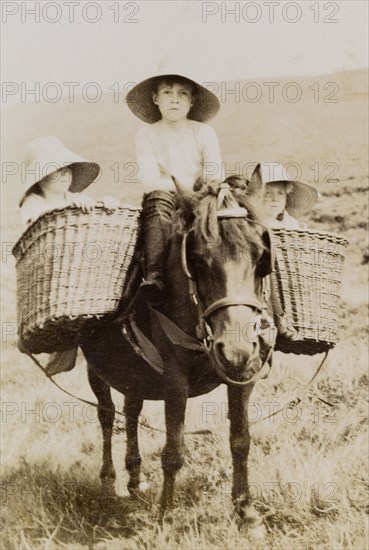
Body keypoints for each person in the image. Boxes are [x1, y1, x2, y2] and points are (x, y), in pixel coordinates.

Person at [18, 136, 119, 375]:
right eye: (55, 170)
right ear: (41, 176)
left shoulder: (73, 198)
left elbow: (90, 212)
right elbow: (39, 221)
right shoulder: (34, 201)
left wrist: (105, 203)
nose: (63, 174)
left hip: (78, 264)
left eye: (67, 169)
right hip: (51, 268)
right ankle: (64, 346)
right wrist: (70, 208)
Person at [126, 63, 223, 303]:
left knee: (236, 223)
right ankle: (155, 273)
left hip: (202, 197)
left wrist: (202, 190)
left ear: (192, 101)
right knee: (158, 200)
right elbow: (150, 181)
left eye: (183, 93)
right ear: (155, 98)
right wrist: (183, 189)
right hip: (165, 199)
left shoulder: (204, 132)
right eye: (167, 92)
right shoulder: (146, 135)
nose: (175, 99)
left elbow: (214, 173)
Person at [252, 162, 319, 340]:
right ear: (256, 197)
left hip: (290, 285)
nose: (274, 198)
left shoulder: (291, 226)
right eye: (268, 194)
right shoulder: (251, 225)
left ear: (286, 197)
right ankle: (275, 320)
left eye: (280, 193)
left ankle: (290, 320)